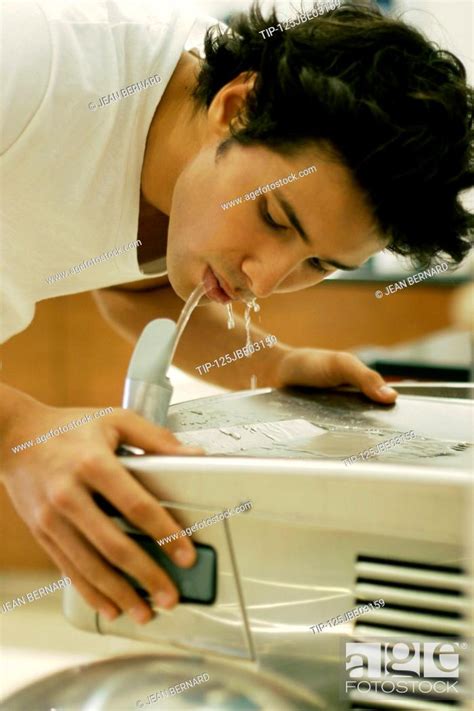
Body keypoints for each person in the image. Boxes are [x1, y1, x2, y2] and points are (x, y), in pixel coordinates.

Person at [1, 0, 472, 625]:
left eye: (319, 265)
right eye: (275, 217)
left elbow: (133, 286)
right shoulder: (32, 65)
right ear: (235, 108)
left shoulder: (185, 174)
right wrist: (17, 431)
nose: (268, 280)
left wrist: (274, 366)